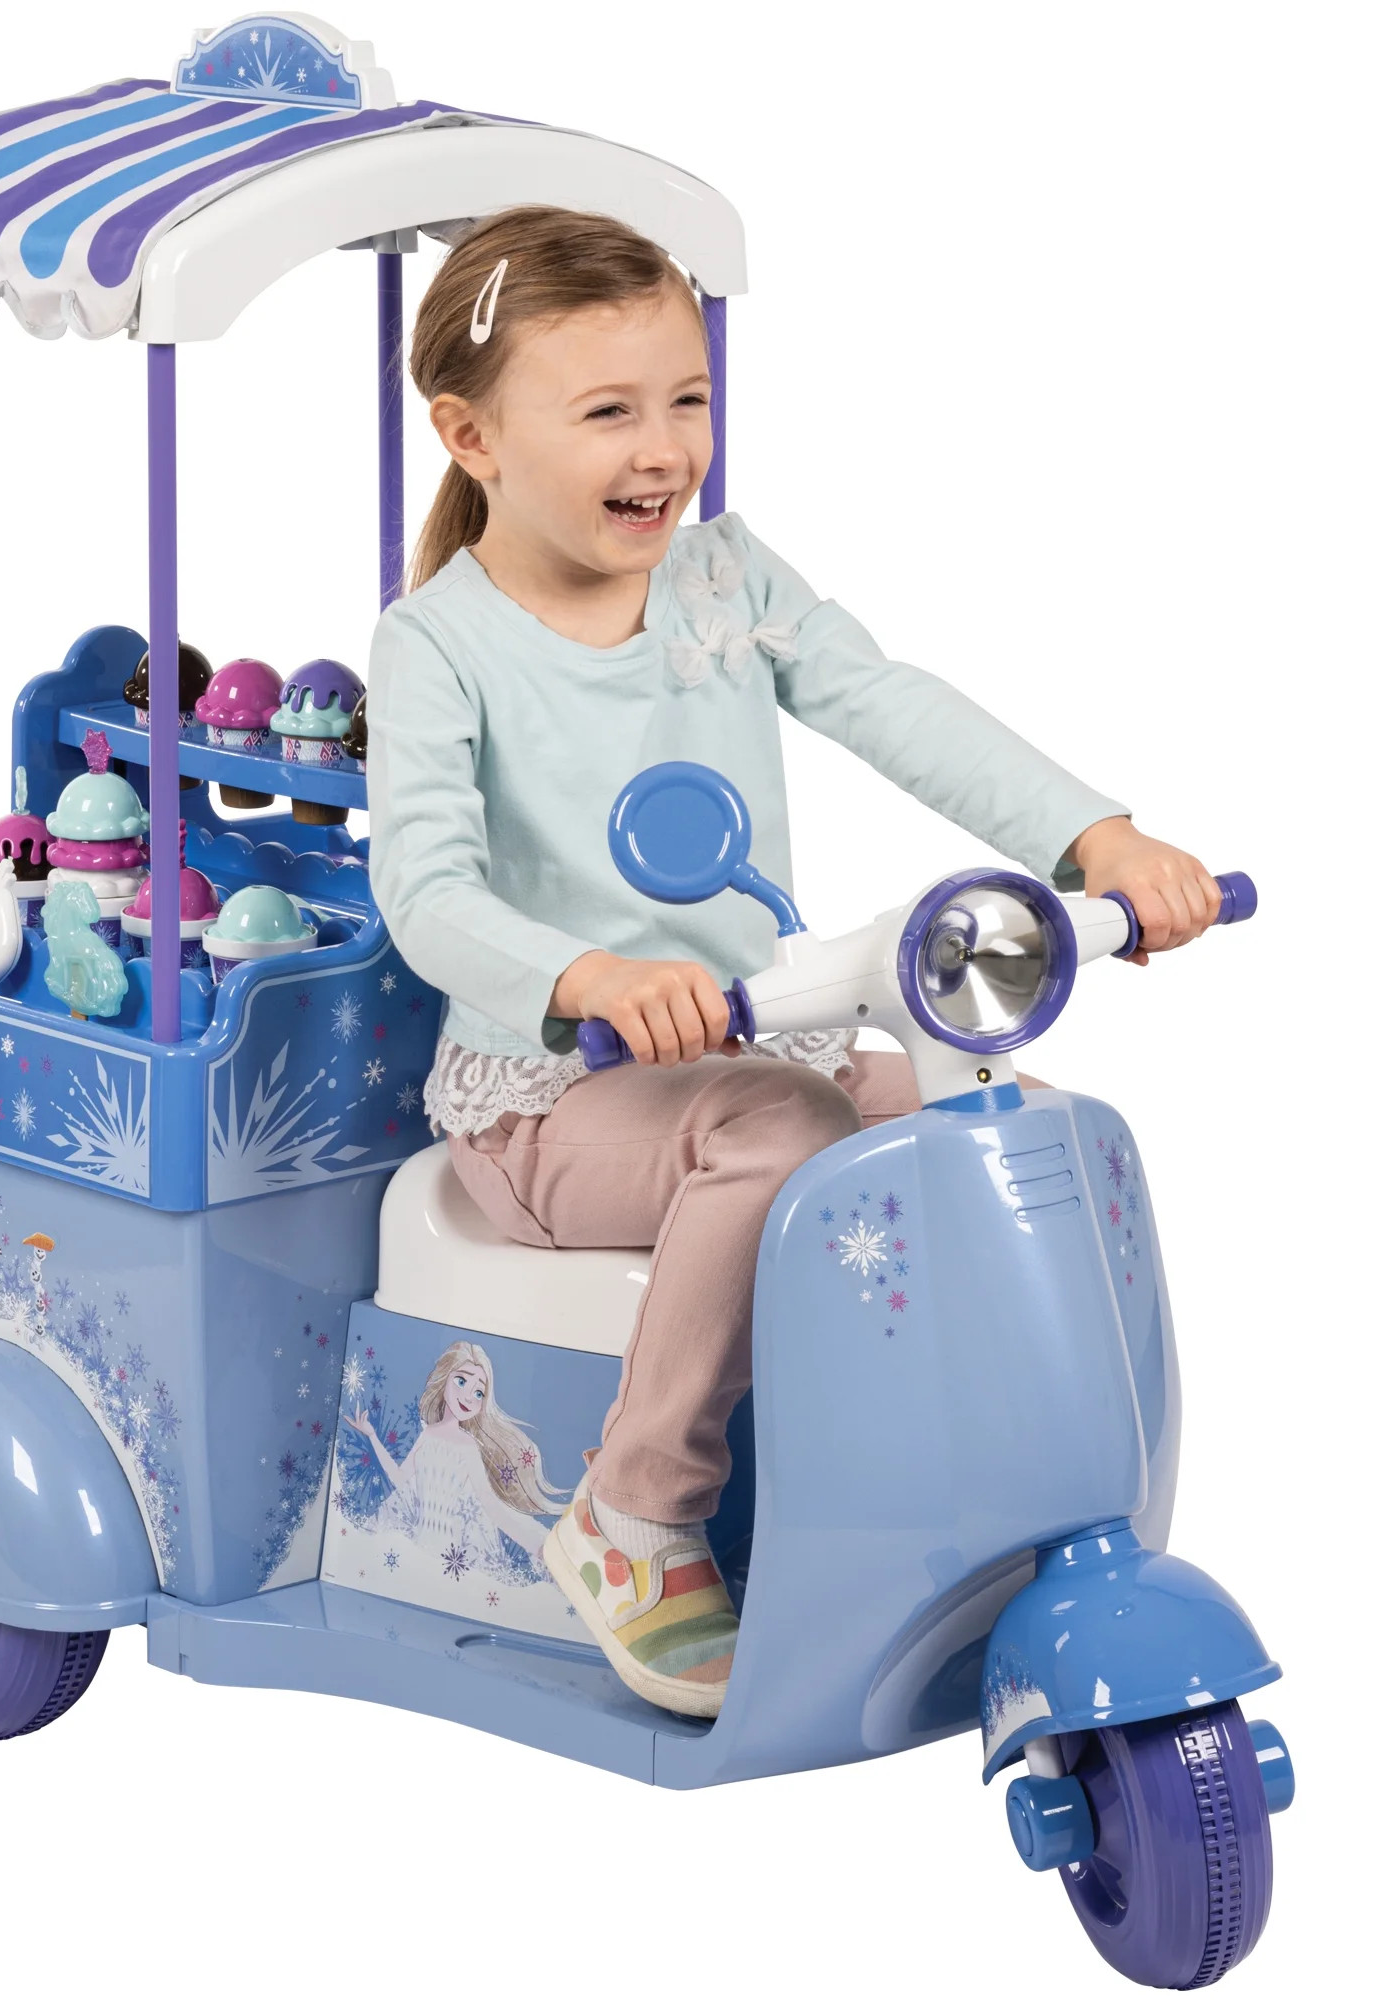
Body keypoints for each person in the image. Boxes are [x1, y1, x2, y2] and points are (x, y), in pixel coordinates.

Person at [365, 207, 1222, 1720]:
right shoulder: (441, 644)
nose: (664, 448)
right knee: (781, 1130)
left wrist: (1092, 836)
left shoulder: (725, 581)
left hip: (760, 1043)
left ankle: (971, 1475)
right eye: (608, 411)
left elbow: (892, 703)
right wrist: (587, 978)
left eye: (686, 398)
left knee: (989, 1119)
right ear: (471, 435)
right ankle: (632, 1511)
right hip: (548, 1096)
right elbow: (425, 893)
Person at [344, 1340, 571, 1561]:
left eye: (479, 1393)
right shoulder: (428, 1434)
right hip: (418, 1545)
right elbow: (399, 1477)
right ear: (444, 1379)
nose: (468, 1396)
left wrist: (536, 1545)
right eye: (461, 1381)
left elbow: (492, 1507)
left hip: (447, 1556)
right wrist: (372, 1436)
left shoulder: (468, 1446)